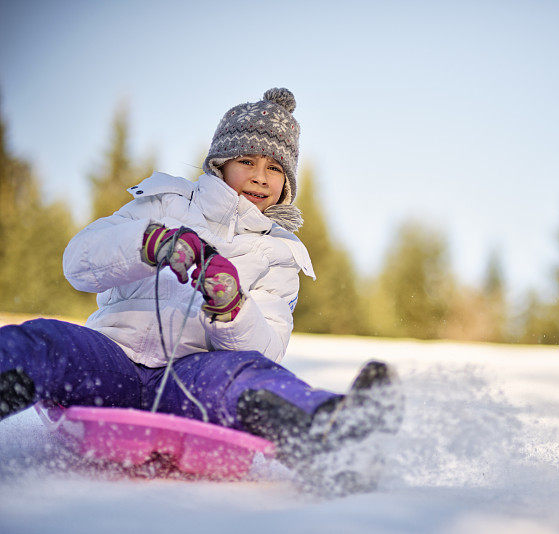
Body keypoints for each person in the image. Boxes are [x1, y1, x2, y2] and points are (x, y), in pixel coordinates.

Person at [0, 88, 401, 467]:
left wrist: (231, 308)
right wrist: (149, 243)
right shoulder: (163, 202)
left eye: (275, 167)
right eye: (248, 161)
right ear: (220, 163)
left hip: (190, 380)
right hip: (111, 360)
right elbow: (79, 263)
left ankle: (333, 432)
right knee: (45, 342)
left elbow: (267, 348)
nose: (261, 177)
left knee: (249, 378)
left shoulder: (280, 254)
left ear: (287, 182)